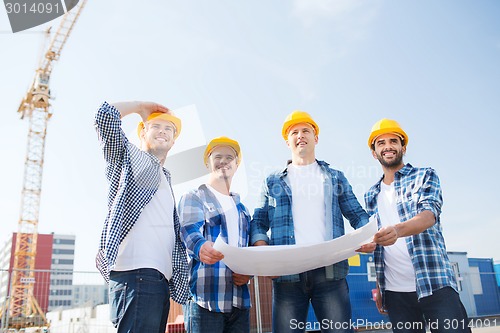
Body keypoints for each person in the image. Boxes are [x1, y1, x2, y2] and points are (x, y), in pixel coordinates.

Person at [250, 111, 374, 333]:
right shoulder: (272, 181)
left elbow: (356, 213)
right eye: (294, 132)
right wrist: (263, 252)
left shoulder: (335, 177)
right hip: (287, 274)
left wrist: (368, 234)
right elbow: (259, 221)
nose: (300, 135)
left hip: (330, 272)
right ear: (287, 141)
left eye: (306, 130)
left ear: (315, 138)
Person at [365, 118, 471, 333]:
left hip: (434, 282)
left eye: (393, 141)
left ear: (403, 147)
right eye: (381, 143)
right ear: (374, 153)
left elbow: (428, 215)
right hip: (395, 292)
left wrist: (397, 230)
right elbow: (379, 243)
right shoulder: (371, 194)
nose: (388, 146)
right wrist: (379, 284)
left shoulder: (425, 175)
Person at [94, 101, 189, 333]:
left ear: (174, 141)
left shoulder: (165, 178)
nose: (163, 132)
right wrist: (141, 107)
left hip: (159, 280)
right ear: (143, 133)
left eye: (169, 129)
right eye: (155, 126)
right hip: (136, 274)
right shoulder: (129, 159)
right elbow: (104, 116)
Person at [179, 136, 252, 333]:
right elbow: (188, 229)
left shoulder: (243, 210)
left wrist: (248, 272)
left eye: (229, 157)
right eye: (217, 156)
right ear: (207, 162)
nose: (223, 161)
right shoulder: (194, 197)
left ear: (237, 165)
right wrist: (201, 246)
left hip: (239, 302)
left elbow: (250, 250)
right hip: (205, 299)